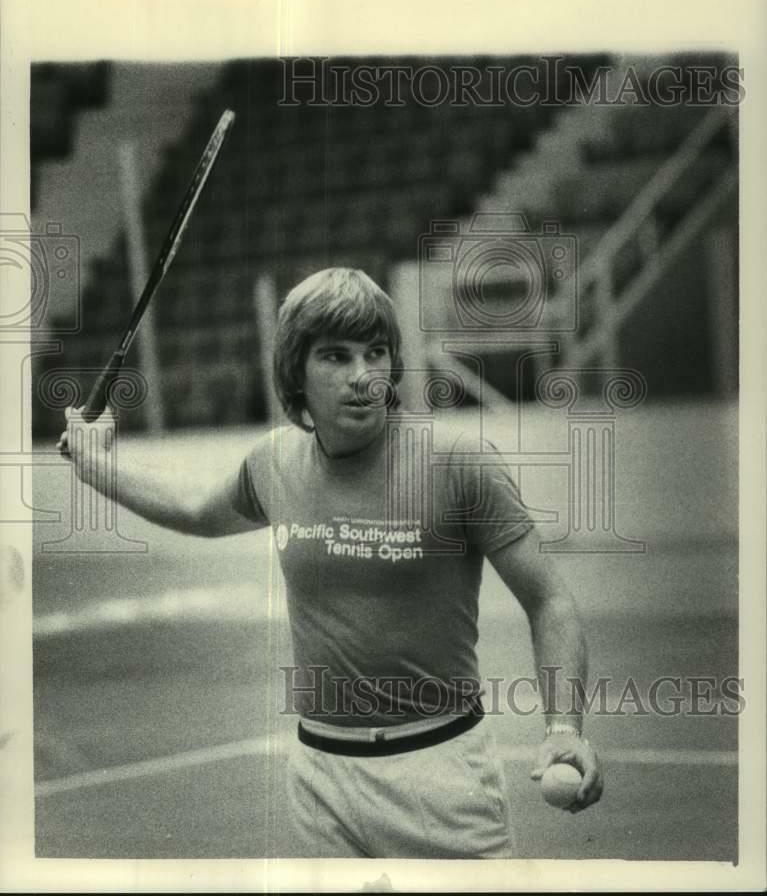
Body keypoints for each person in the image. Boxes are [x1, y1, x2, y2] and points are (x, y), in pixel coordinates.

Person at [58, 266, 603, 859]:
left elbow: (548, 599)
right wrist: (96, 468)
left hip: (441, 776)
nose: (363, 376)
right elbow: (196, 510)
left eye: (376, 353)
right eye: (336, 357)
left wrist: (564, 728)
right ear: (297, 372)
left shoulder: (457, 462)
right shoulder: (274, 464)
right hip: (320, 778)